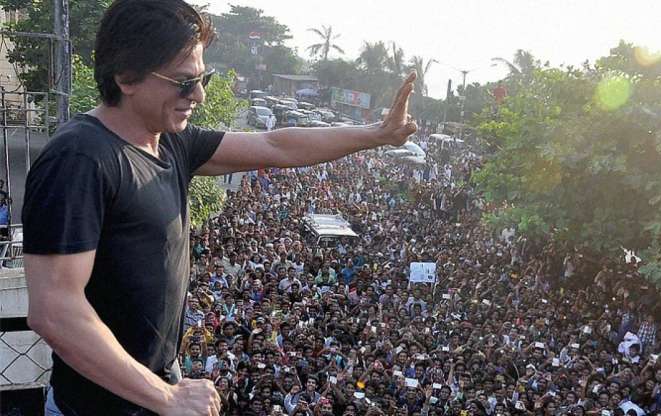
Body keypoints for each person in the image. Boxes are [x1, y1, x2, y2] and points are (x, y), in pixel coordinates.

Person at [22, 1, 417, 415]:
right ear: (125, 77)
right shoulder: (80, 158)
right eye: (182, 82)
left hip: (150, 394)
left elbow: (274, 146)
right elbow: (55, 310)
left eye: (201, 78)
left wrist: (376, 134)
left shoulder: (169, 140)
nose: (199, 95)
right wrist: (167, 398)